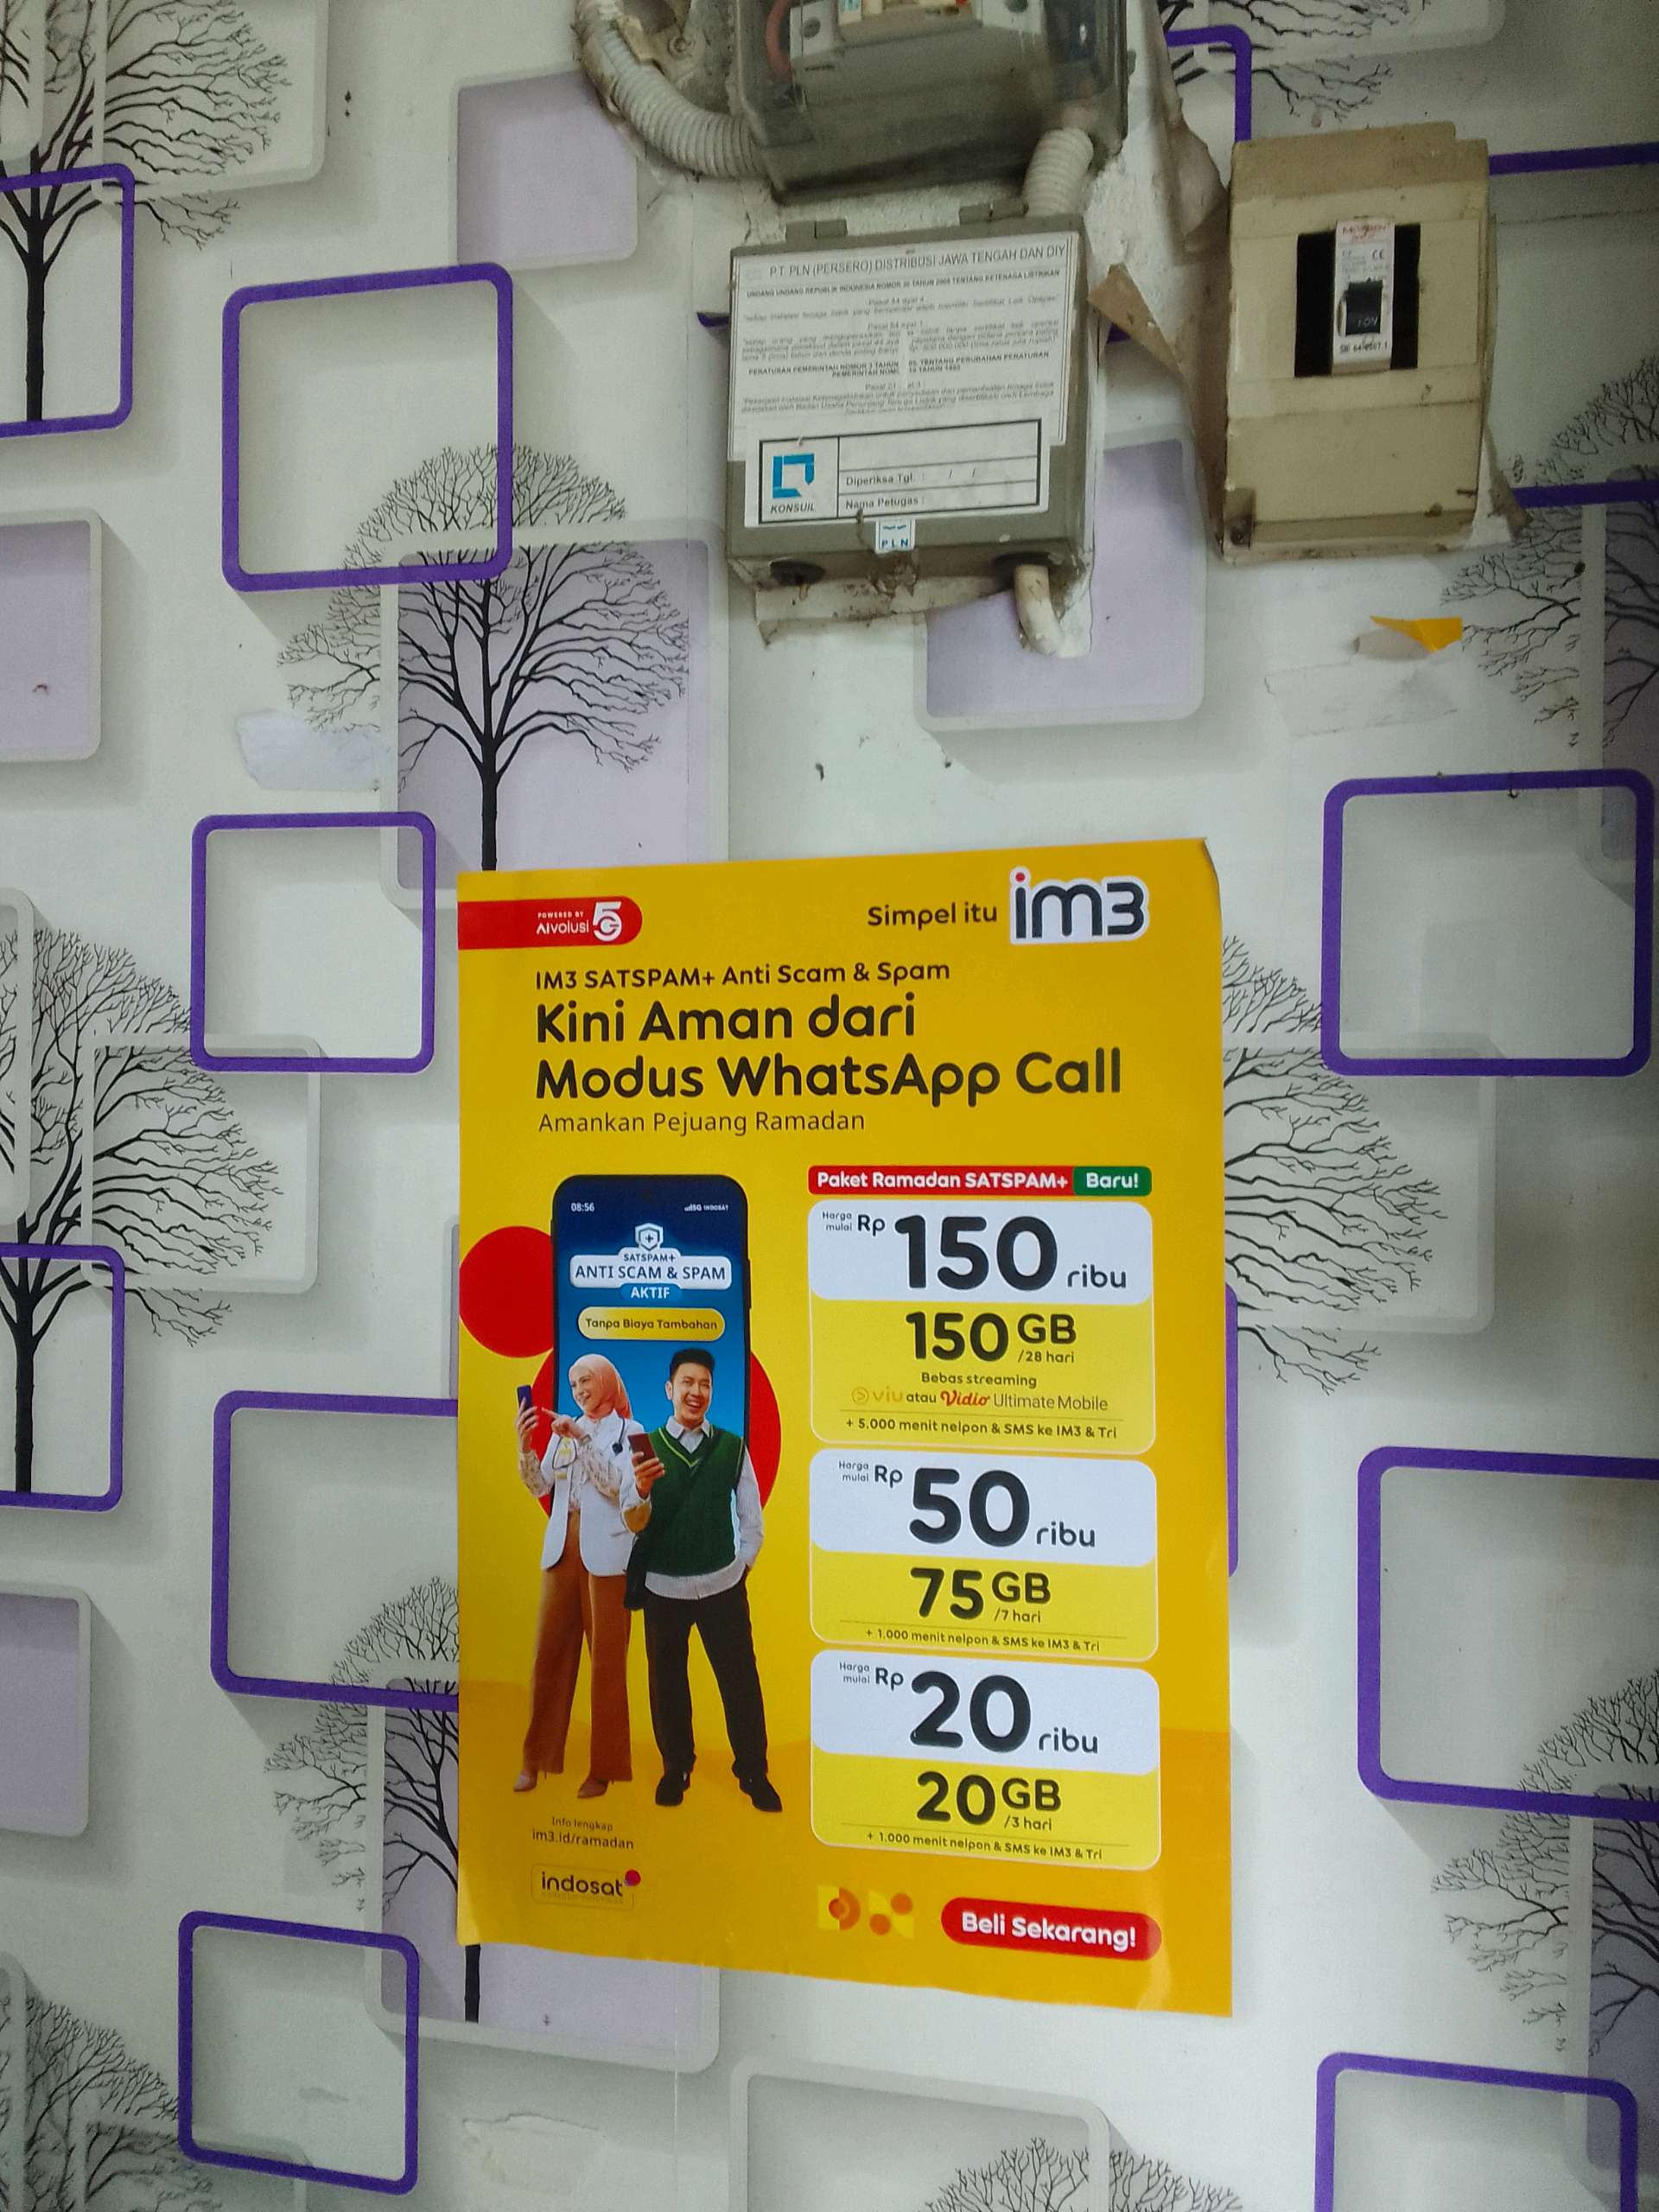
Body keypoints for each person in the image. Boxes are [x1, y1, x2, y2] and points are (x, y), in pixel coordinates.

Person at [620, 1346, 781, 1812]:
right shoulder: (644, 1447)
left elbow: (751, 1517)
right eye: (688, 1383)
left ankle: (753, 1771)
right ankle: (676, 1768)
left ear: (712, 1392)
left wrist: (742, 1565)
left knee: (740, 1682)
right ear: (669, 1389)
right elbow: (631, 1521)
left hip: (722, 1587)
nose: (697, 1391)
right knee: (667, 1683)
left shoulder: (732, 1447)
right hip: (662, 1588)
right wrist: (642, 1489)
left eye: (705, 1384)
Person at [513, 1353, 643, 1800]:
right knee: (548, 1654)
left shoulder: (634, 1433)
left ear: (606, 1381)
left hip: (608, 1551)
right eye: (573, 1385)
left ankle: (604, 1769)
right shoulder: (563, 1429)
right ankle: (535, 1759)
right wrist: (525, 1447)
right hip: (563, 1545)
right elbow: (540, 1486)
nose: (580, 1391)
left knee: (607, 1662)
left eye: (586, 1381)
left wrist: (583, 1440)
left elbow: (621, 1489)